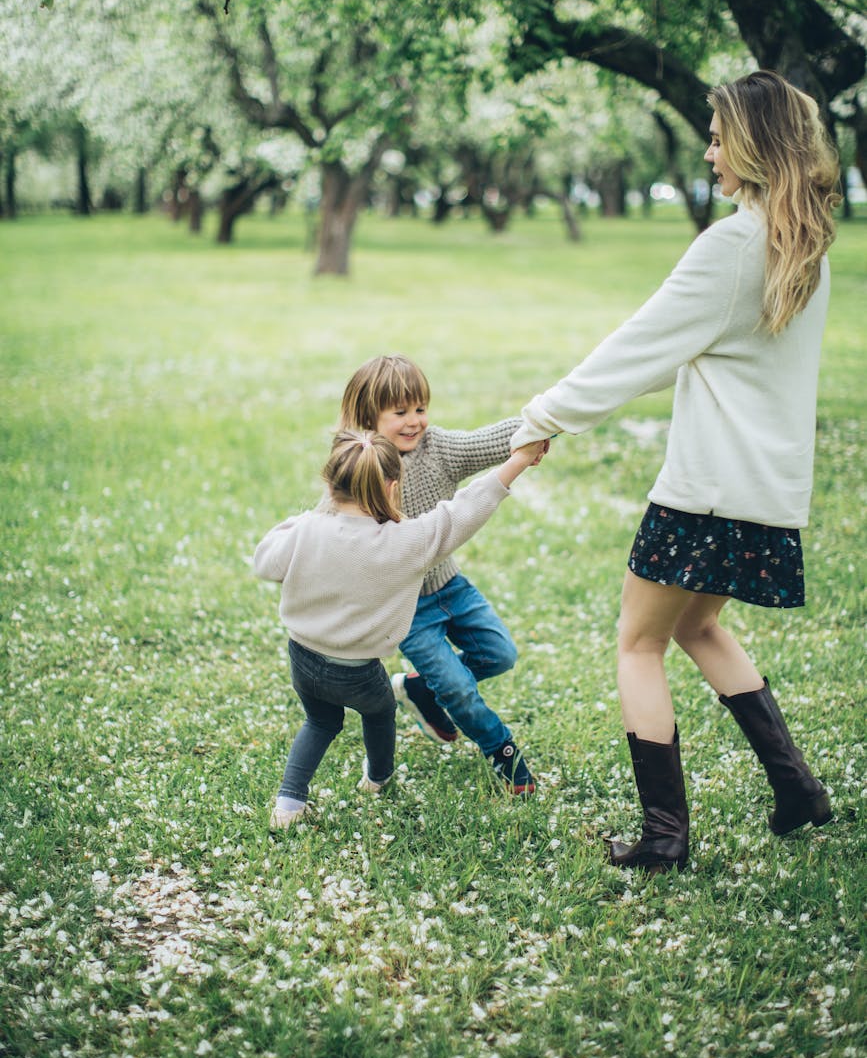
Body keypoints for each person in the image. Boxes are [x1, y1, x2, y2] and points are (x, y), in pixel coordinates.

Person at [510, 70, 838, 870]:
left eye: (720, 135)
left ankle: (664, 839)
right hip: (763, 493)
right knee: (696, 626)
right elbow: (683, 349)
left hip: (702, 493)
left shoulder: (731, 245)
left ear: (755, 146)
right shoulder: (802, 243)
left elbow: (635, 348)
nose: (708, 149)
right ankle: (797, 791)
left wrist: (539, 418)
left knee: (637, 645)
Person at [254, 428, 545, 828]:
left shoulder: (307, 530)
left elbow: (265, 562)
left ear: (330, 484)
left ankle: (288, 804)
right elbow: (463, 510)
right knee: (380, 712)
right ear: (392, 488)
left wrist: (310, 517)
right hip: (357, 671)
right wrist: (517, 462)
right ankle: (379, 778)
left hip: (302, 659)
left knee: (319, 722)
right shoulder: (406, 542)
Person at [339, 356, 545, 793]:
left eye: (420, 408)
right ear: (368, 417)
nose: (415, 422)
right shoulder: (361, 466)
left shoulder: (438, 448)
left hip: (451, 587)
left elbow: (488, 441)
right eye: (400, 413)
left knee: (499, 654)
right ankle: (503, 753)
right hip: (407, 606)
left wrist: (544, 422)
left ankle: (420, 690)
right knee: (459, 690)